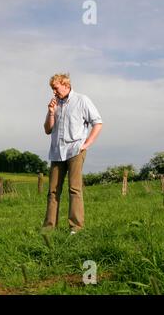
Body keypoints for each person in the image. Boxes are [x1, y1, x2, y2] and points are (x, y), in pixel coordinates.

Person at [42, 73, 103, 234]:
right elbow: (47, 130)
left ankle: (75, 227)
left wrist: (87, 144)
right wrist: (50, 112)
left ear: (66, 85)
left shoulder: (82, 100)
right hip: (57, 152)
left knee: (74, 189)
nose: (54, 92)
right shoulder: (55, 105)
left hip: (75, 150)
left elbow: (97, 122)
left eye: (55, 88)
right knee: (53, 191)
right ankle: (49, 228)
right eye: (52, 89)